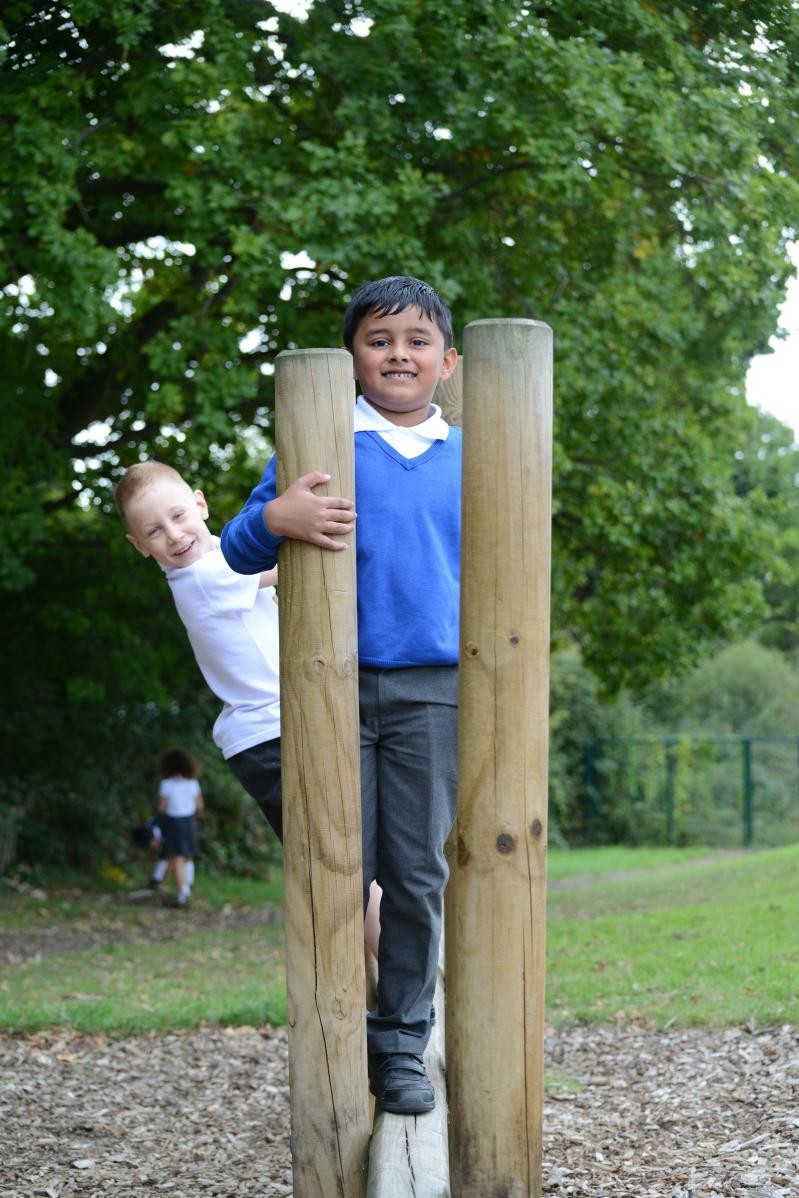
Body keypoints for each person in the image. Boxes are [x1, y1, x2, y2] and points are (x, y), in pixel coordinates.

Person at [220, 275, 460, 1114]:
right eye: (379, 339)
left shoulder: (471, 457)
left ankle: (399, 1045)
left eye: (416, 340)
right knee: (334, 865)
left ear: (448, 361)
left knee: (418, 871)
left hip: (435, 690)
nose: (399, 354)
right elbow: (239, 551)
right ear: (353, 356)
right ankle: (332, 1031)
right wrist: (274, 518)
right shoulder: (321, 444)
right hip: (331, 685)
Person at [114, 462, 381, 950]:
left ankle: (385, 977)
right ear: (140, 545)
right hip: (274, 738)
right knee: (344, 869)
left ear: (200, 504)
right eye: (154, 530)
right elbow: (296, 563)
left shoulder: (215, 559)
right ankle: (396, 971)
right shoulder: (203, 577)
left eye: (178, 516)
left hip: (279, 732)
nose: (173, 535)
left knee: (349, 867)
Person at [157, 747, 204, 906]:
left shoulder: (167, 784)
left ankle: (183, 892)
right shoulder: (193, 783)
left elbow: (162, 808)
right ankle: (162, 884)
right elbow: (199, 806)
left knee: (175, 856)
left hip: (172, 822)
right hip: (188, 821)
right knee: (183, 856)